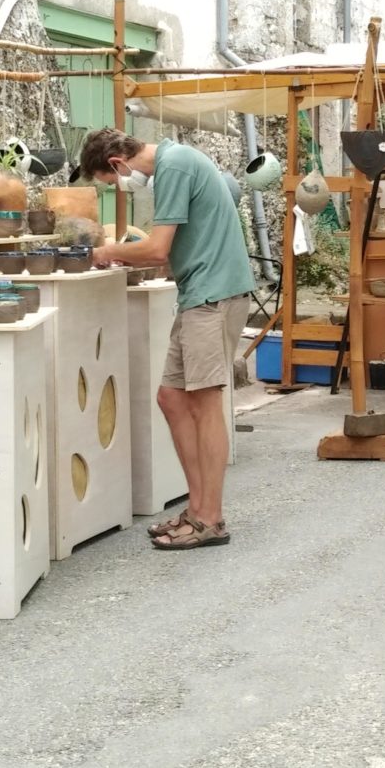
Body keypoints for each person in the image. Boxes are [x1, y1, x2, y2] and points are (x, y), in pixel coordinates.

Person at [81, 128, 254, 550]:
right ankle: (198, 509)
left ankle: (210, 518)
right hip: (202, 293)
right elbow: (175, 249)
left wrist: (103, 253)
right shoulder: (175, 162)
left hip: (214, 297)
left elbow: (158, 248)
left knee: (205, 401)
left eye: (110, 182)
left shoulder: (173, 166)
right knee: (172, 398)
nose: (119, 188)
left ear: (118, 164)